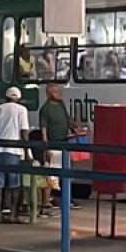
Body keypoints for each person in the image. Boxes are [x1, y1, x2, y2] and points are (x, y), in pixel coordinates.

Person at [0, 86, 31, 223]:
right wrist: (27, 152)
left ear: (6, 98)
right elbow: (24, 133)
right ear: (19, 99)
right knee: (14, 185)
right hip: (14, 152)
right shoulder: (22, 110)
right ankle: (13, 214)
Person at [38, 84, 80, 216]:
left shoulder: (61, 104)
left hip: (65, 143)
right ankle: (46, 204)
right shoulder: (45, 109)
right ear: (50, 93)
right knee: (52, 176)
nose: (59, 93)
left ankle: (66, 199)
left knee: (66, 174)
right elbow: (43, 128)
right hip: (54, 145)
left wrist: (74, 129)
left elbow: (67, 120)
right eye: (56, 91)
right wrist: (46, 146)